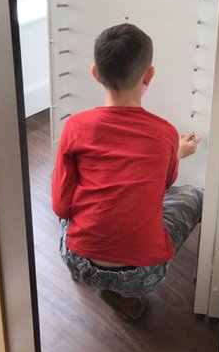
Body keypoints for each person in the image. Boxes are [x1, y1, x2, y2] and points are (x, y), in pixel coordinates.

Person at [52, 23, 204, 322]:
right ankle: (129, 297)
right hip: (142, 274)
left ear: (95, 73)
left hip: (78, 261)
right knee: (194, 195)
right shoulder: (165, 133)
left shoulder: (74, 127)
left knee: (69, 197)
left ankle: (92, 276)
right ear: (149, 75)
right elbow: (164, 185)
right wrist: (176, 153)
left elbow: (60, 206)